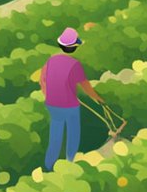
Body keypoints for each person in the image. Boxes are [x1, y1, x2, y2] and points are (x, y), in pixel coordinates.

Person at [40, 27, 104, 171]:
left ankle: (49, 167)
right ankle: (70, 163)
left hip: (52, 104)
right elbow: (86, 87)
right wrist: (98, 99)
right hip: (69, 105)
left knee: (55, 135)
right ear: (74, 47)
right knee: (72, 134)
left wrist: (48, 95)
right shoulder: (74, 64)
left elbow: (42, 81)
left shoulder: (50, 61)